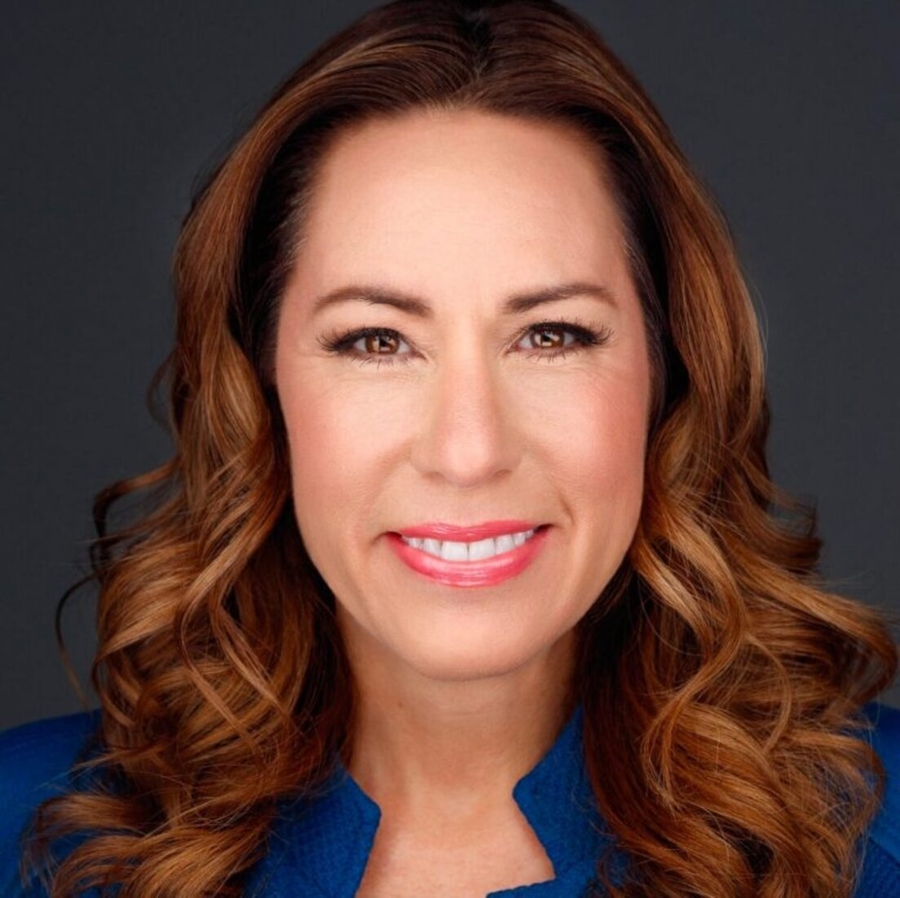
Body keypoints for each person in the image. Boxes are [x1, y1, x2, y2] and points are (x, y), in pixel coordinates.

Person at [1, 1, 898, 895]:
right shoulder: (31, 838)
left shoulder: (873, 835)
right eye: (376, 341)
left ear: (669, 375)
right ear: (260, 389)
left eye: (551, 335)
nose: (469, 451)